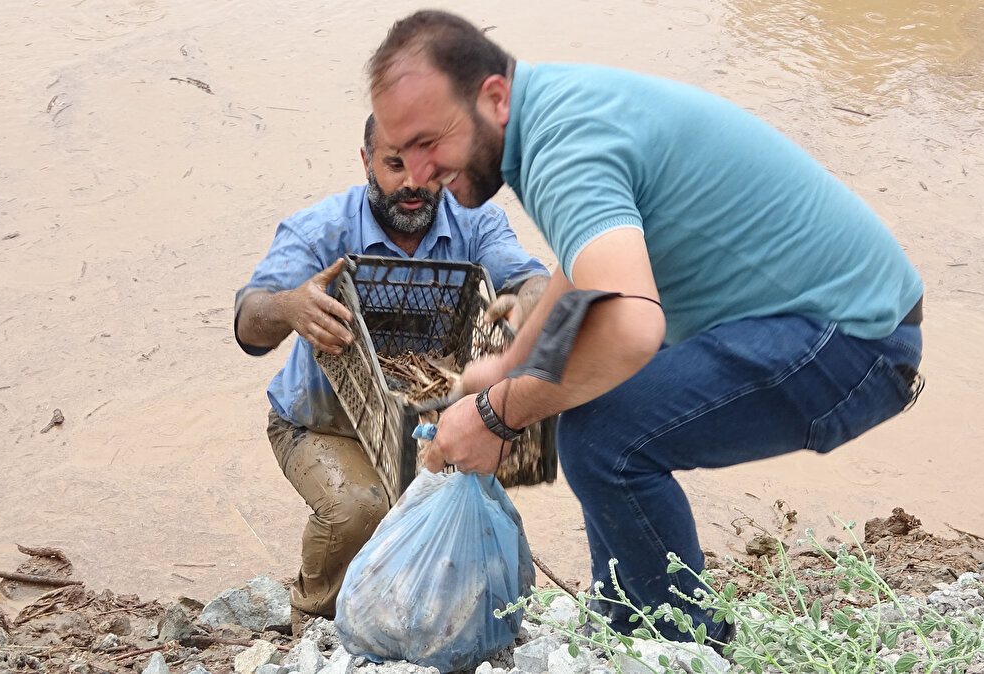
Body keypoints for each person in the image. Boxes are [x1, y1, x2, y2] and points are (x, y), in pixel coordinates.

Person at [366, 11, 925, 645]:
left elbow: (630, 327)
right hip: (827, 320)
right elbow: (582, 273)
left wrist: (499, 415)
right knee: (591, 410)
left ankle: (689, 646)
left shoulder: (563, 148)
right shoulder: (552, 111)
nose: (415, 175)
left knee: (605, 439)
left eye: (428, 142)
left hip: (852, 340)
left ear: (493, 97)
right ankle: (626, 629)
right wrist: (511, 365)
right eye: (402, 151)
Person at [233, 112, 549, 627]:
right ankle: (313, 621)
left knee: (475, 530)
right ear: (366, 162)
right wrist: (291, 307)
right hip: (320, 424)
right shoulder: (320, 231)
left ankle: (421, 619)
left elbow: (525, 277)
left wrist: (536, 301)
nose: (411, 182)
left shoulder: (476, 223)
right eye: (394, 164)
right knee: (361, 510)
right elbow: (249, 324)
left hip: (421, 420)